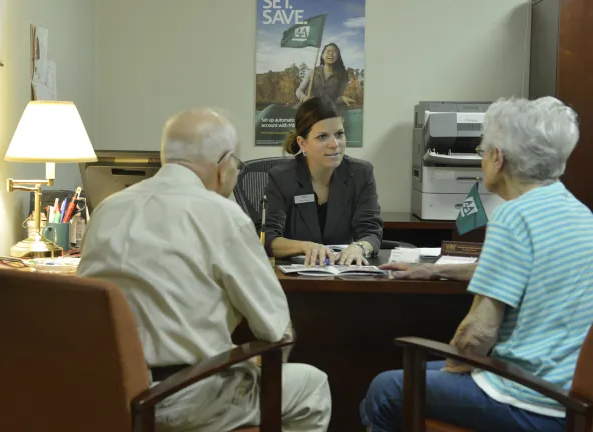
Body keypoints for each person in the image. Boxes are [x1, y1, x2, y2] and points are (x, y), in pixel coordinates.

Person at [76, 108, 332, 432]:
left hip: (107, 393)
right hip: (183, 399)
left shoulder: (106, 209)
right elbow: (275, 330)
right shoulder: (224, 215)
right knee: (312, 385)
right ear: (225, 165)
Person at [361, 96, 593, 432]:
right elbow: (522, 271)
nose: (481, 157)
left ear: (497, 158)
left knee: (386, 389)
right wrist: (436, 269)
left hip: (525, 398)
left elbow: (478, 335)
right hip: (569, 400)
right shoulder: (578, 213)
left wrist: (455, 363)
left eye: (483, 149)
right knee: (418, 377)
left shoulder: (514, 216)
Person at [260, 96, 382, 266]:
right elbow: (268, 239)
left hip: (342, 274)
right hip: (296, 279)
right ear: (303, 144)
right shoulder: (281, 178)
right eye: (323, 137)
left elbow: (371, 231)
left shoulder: (361, 174)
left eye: (339, 134)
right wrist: (306, 247)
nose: (334, 144)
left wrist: (359, 247)